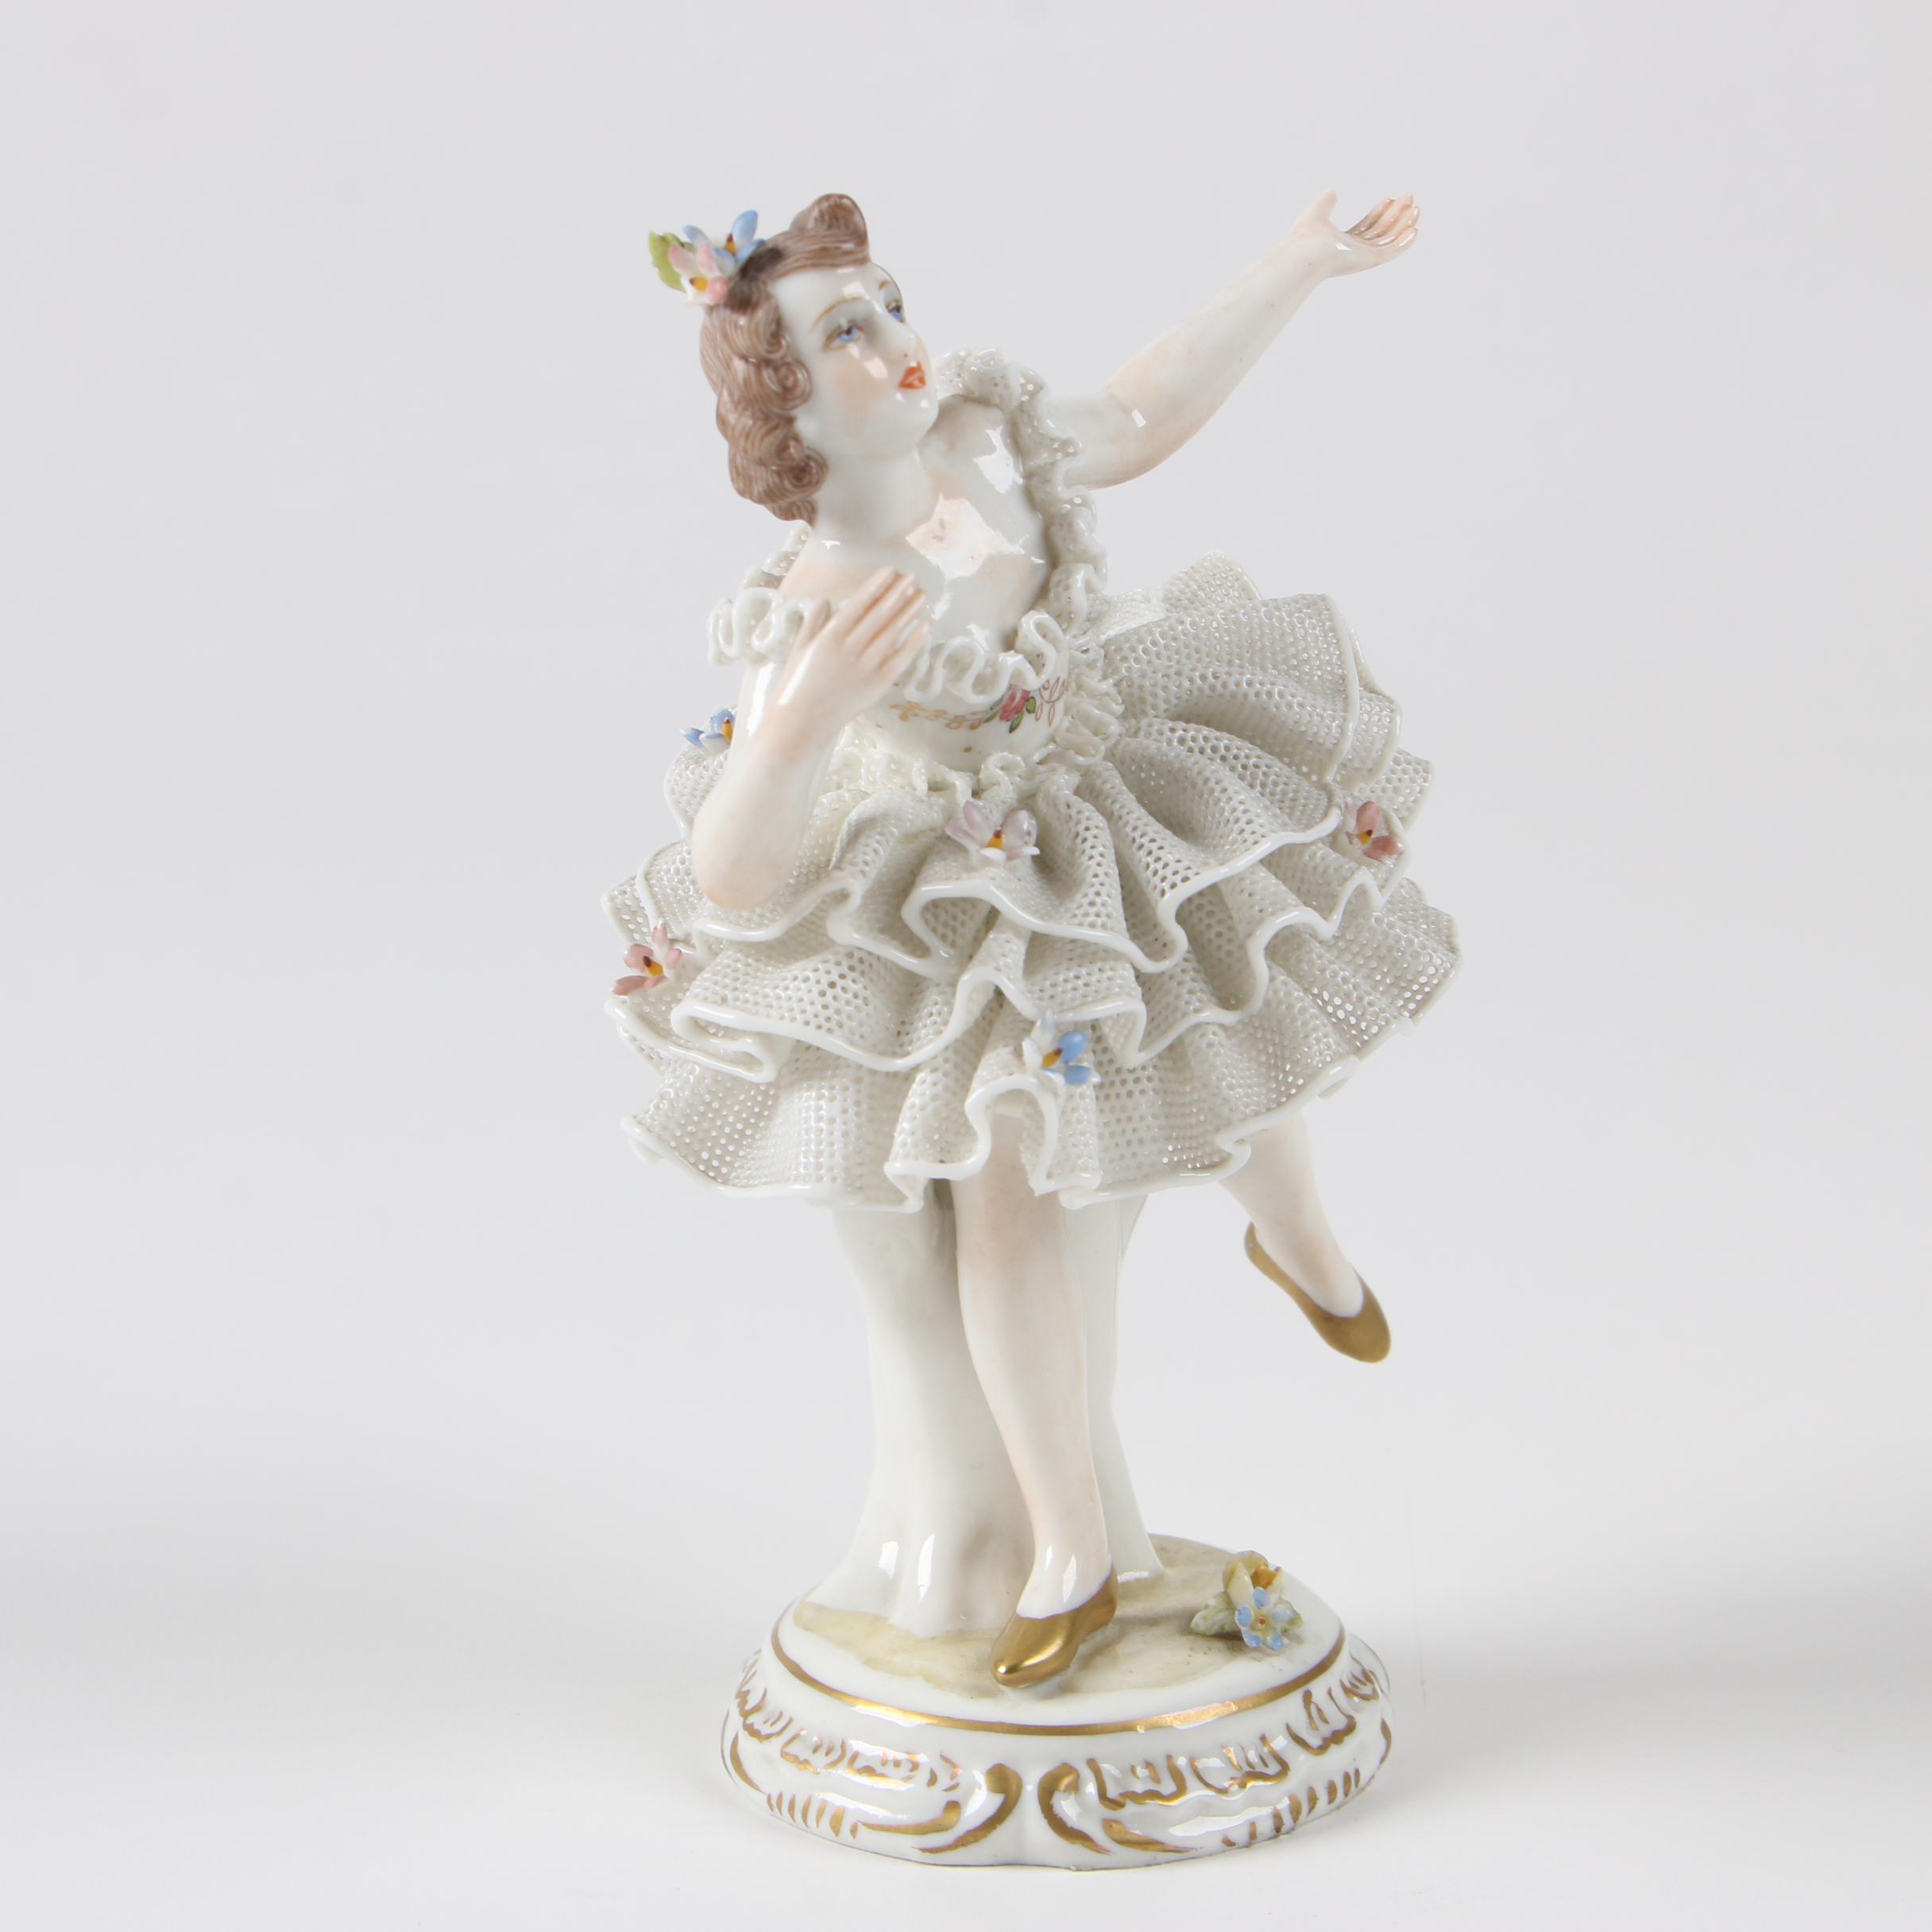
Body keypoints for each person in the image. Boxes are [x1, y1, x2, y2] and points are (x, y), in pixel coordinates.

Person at [608, 193, 1458, 1686]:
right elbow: (731, 870)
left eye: (889, 301)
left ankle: (1302, 1243)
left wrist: (1299, 265)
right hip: (959, 889)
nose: (897, 339)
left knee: (1224, 1006)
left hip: (1101, 783)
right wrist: (801, 727)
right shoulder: (821, 604)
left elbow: (1139, 411)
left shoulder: (983, 437)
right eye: (847, 331)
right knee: (1007, 1197)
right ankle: (1069, 1547)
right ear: (786, 402)